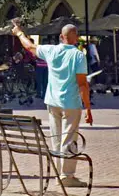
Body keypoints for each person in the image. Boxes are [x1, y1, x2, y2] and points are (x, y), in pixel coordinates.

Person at [12, 20, 92, 188]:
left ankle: (58, 175)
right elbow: (83, 84)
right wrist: (88, 108)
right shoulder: (78, 55)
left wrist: (19, 33)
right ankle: (67, 176)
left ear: (61, 37)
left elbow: (30, 47)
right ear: (76, 37)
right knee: (69, 139)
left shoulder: (51, 50)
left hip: (52, 101)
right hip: (70, 102)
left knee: (56, 139)